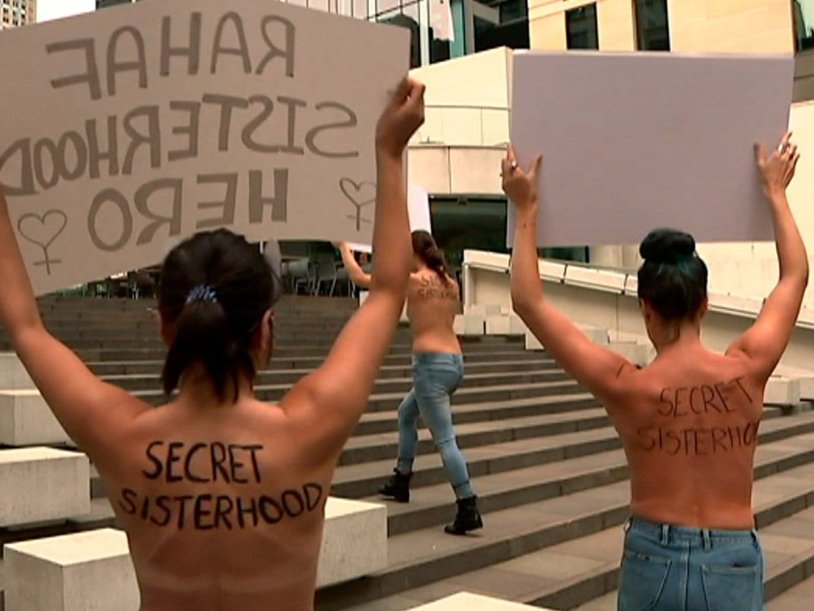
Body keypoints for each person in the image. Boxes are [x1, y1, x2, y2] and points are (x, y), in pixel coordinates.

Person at [0, 78, 425, 611]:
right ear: (265, 328)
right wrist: (389, 152)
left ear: (164, 326)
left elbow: (25, 325)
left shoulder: (120, 437)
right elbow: (387, 290)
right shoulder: (310, 429)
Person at [505, 133, 806, 611]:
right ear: (705, 304)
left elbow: (528, 301)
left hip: (653, 555)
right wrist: (775, 193)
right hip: (731, 556)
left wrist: (526, 208)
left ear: (646, 309)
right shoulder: (746, 371)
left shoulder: (630, 386)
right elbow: (794, 276)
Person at [337, 231, 482, 535]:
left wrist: (344, 249)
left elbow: (361, 278)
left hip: (430, 364)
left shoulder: (413, 281)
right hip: (455, 362)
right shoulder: (450, 284)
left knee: (444, 439)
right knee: (406, 413)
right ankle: (401, 479)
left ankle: (467, 503)